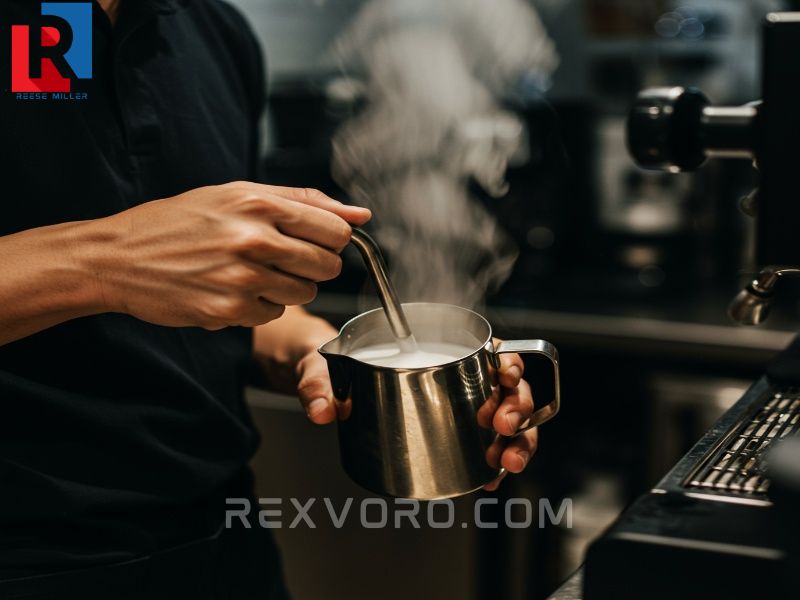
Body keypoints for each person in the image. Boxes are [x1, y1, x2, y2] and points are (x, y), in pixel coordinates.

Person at [0, 1, 540, 598]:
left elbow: (212, 307)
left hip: (223, 538)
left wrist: (326, 356)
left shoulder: (211, 31)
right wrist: (107, 262)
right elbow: (138, 265)